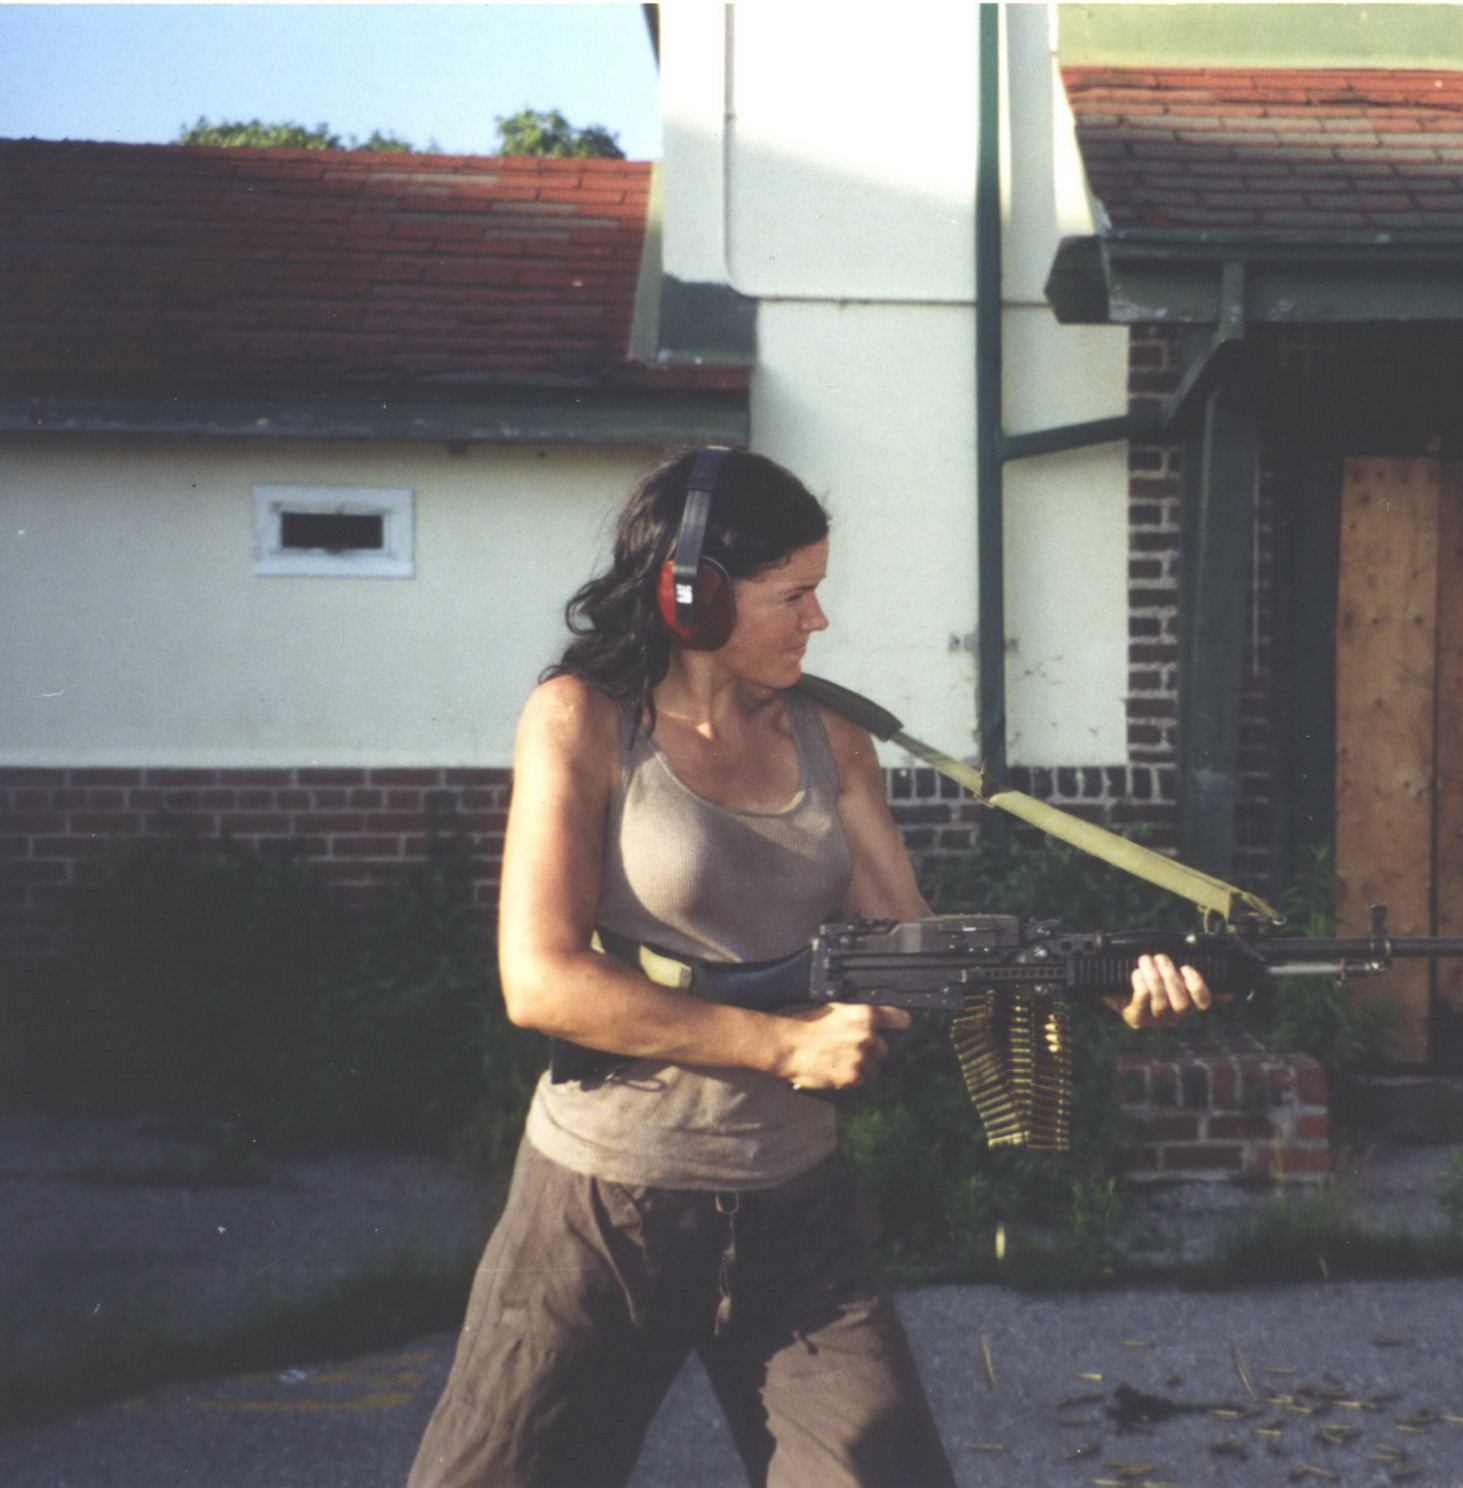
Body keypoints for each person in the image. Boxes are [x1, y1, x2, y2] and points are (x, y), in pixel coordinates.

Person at [408, 447, 1212, 1488]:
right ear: (691, 594)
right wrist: (781, 1046)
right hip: (604, 1205)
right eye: (793, 595)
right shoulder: (584, 718)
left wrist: (1098, 983)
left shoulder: (833, 734)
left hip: (795, 1207)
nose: (818, 620)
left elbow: (915, 946)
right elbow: (541, 979)